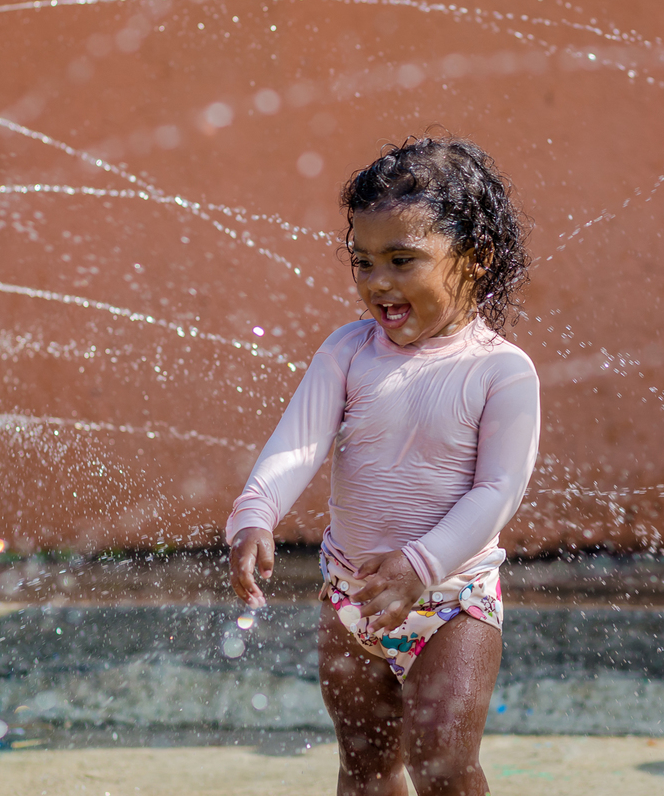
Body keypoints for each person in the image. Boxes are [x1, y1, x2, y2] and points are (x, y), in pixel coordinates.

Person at [227, 135, 541, 796]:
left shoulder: (500, 372)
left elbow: (498, 492)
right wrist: (256, 511)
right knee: (365, 771)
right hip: (352, 596)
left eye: (403, 260)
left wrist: (422, 565)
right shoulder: (348, 352)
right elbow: (298, 444)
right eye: (363, 262)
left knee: (445, 769)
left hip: (452, 602)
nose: (378, 283)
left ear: (475, 259)